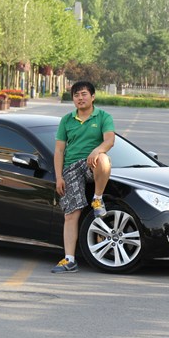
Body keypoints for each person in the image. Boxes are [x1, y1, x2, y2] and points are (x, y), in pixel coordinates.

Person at [52, 81, 115, 273]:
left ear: (93, 97)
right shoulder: (66, 120)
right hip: (71, 167)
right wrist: (59, 177)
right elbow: (59, 150)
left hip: (91, 164)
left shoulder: (103, 117)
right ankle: (69, 260)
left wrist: (97, 151)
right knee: (71, 214)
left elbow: (110, 140)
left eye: (84, 94)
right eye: (76, 95)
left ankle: (97, 198)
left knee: (103, 159)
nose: (80, 98)